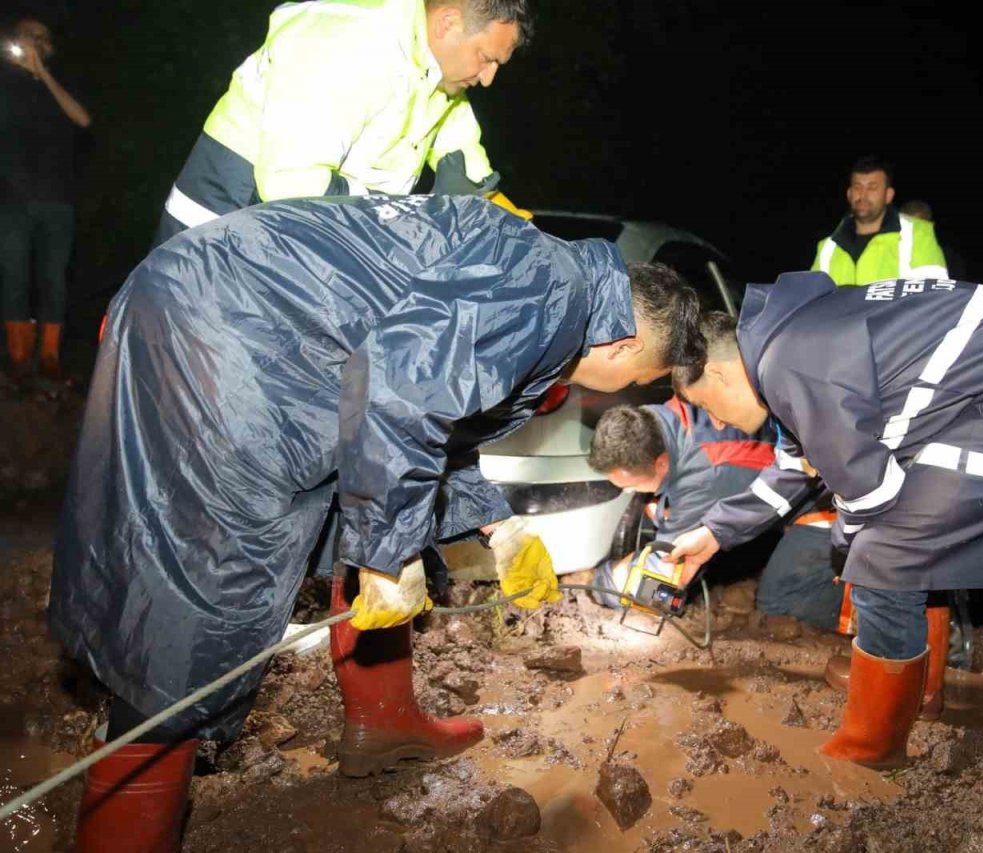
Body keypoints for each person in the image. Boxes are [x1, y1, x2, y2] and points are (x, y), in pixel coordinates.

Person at [51, 193, 702, 850]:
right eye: (629, 382)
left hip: (249, 325)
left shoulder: (544, 273)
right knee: (194, 599)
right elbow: (398, 390)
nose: (605, 394)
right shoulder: (547, 292)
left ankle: (383, 719)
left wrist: (496, 527)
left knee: (367, 499)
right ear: (623, 345)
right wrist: (387, 555)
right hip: (224, 337)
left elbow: (431, 417)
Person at [668, 272, 983, 769]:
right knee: (908, 538)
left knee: (885, 550)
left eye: (707, 405)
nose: (719, 422)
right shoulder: (787, 343)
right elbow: (796, 467)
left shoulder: (788, 362)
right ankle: (916, 690)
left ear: (724, 374)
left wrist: (850, 545)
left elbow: (868, 491)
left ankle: (871, 753)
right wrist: (715, 532)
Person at [154, 0, 532, 244]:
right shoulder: (350, 43)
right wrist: (402, 218)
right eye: (487, 58)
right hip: (224, 216)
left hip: (316, 223)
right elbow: (290, 184)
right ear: (448, 23)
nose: (488, 78)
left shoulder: (437, 72)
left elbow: (460, 151)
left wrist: (503, 216)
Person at [583, 391, 850, 632]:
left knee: (779, 604)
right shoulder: (655, 420)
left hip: (833, 500)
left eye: (631, 485)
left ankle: (869, 603)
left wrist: (599, 581)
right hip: (777, 486)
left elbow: (656, 577)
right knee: (659, 510)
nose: (629, 493)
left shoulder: (704, 477)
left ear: (661, 462)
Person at [0, 15, 91, 380]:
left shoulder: (62, 81)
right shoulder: (5, 82)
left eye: (41, 37)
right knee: (14, 277)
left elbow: (82, 120)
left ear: (48, 46)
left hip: (57, 199)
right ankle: (19, 355)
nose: (34, 41)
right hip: (11, 200)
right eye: (26, 36)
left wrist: (44, 75)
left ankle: (50, 355)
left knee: (53, 277)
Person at [811, 156, 948, 286]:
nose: (863, 195)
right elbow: (812, 302)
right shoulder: (828, 248)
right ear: (849, 194)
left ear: (888, 195)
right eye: (857, 187)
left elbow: (934, 300)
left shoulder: (917, 236)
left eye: (872, 187)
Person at [899, 199, 968, 281]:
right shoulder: (887, 245)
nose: (916, 228)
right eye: (910, 223)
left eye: (921, 223)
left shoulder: (945, 251)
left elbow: (958, 281)